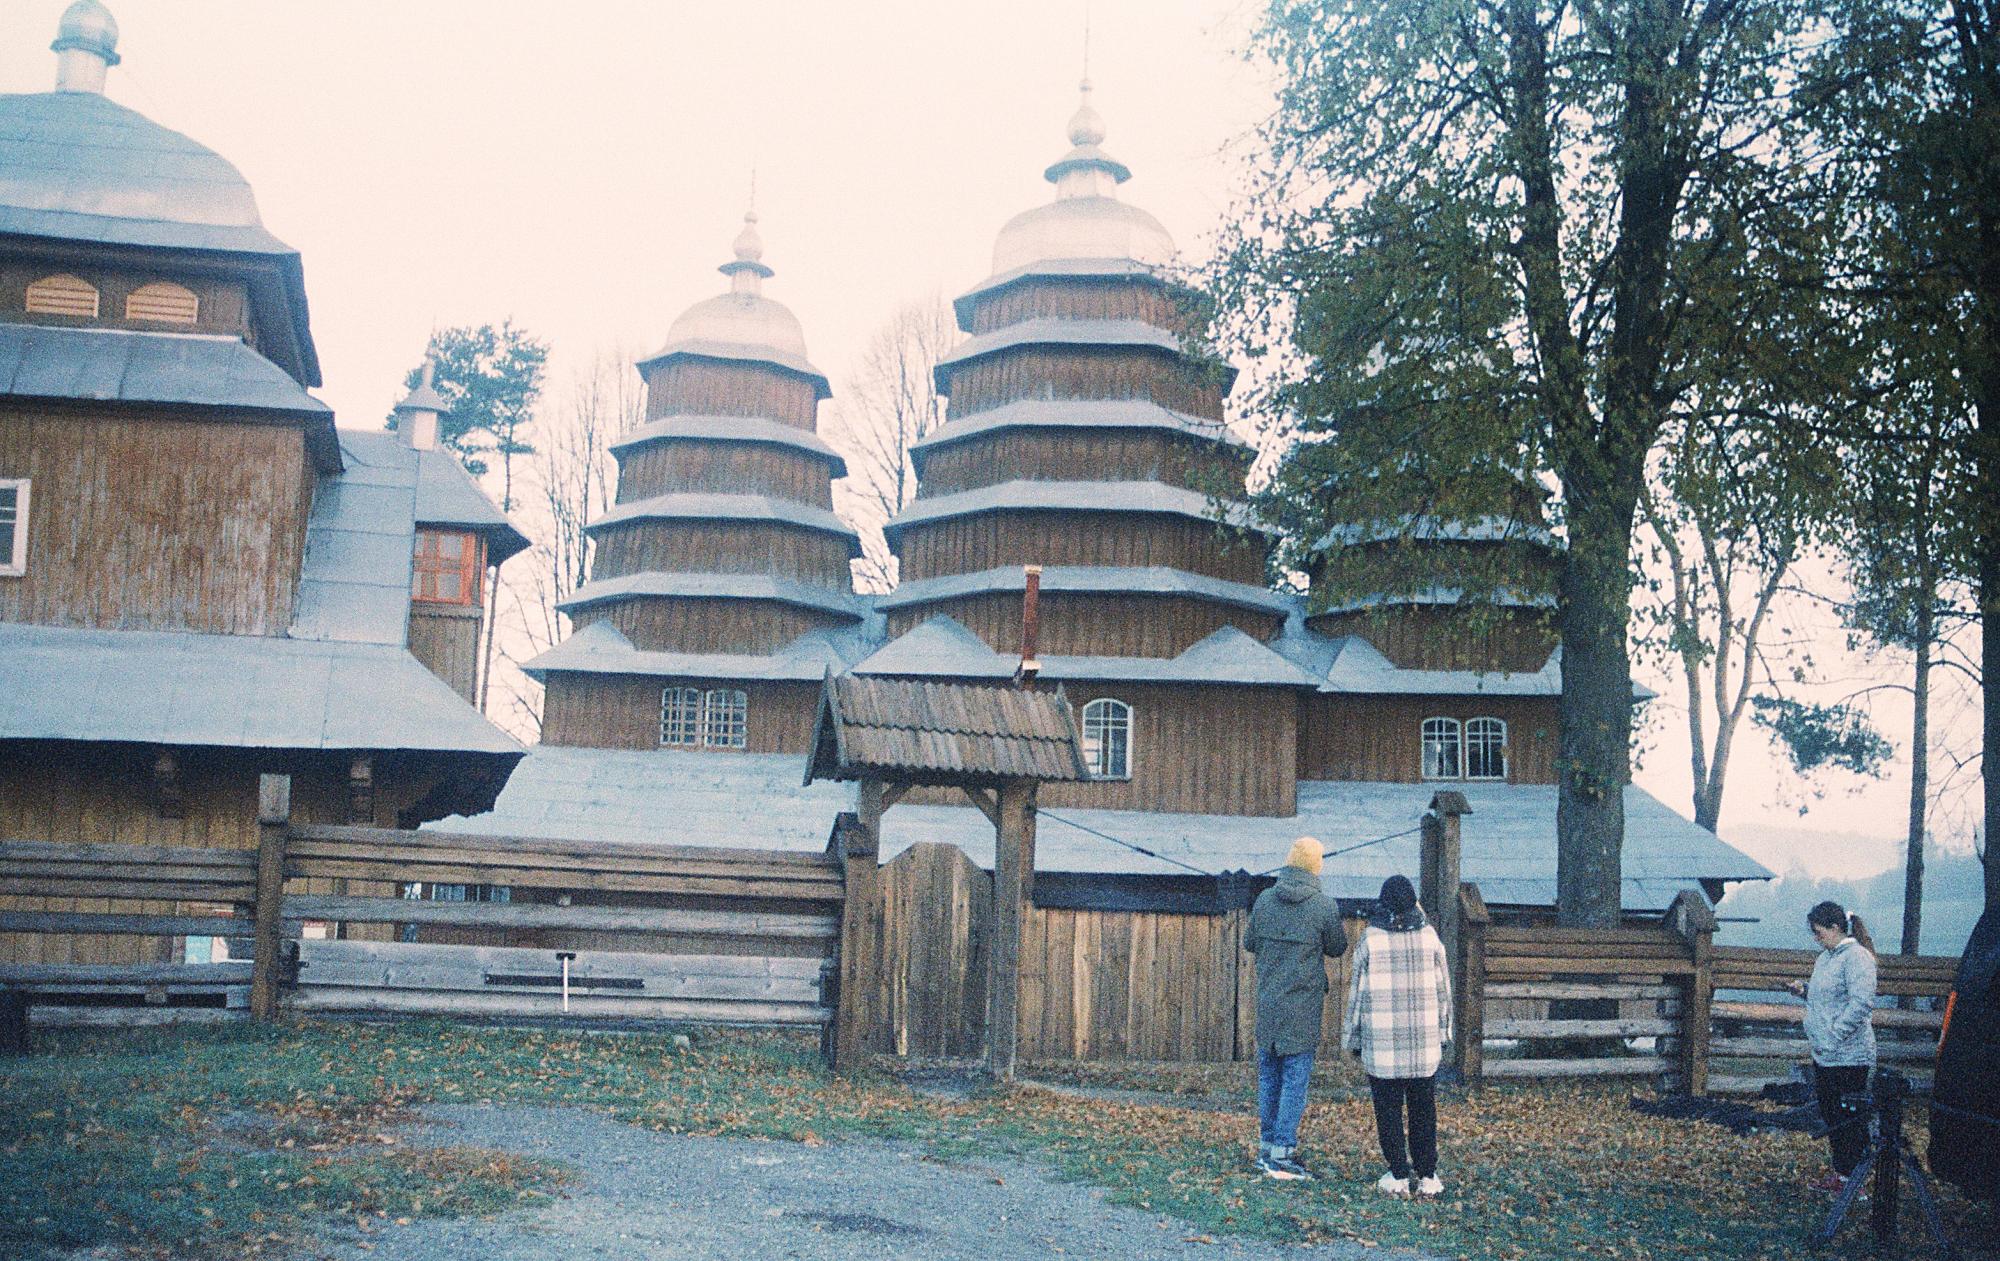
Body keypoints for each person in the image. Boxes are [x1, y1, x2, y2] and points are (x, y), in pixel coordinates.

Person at [1245, 836, 1348, 1181]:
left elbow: (1249, 943)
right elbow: (1337, 948)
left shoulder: (1263, 901)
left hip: (1268, 1004)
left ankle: (1266, 1146)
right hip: (1302, 1007)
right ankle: (1283, 1153)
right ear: (1316, 866)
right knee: (1294, 1079)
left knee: (1268, 1076)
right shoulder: (1323, 906)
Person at [1343, 874, 1451, 1198]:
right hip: (1423, 1043)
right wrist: (1444, 1032)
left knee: (1388, 1109)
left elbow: (1357, 995)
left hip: (1383, 1043)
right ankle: (1428, 1175)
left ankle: (1398, 1173)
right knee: (1423, 1108)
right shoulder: (1430, 938)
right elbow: (1443, 990)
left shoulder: (1370, 939)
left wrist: (1353, 1038)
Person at [1785, 901, 1878, 1193]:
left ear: (1836, 928)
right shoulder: (1825, 958)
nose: (1816, 937)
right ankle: (1842, 1175)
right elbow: (1828, 998)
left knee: (1849, 1117)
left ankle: (1857, 1179)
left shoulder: (1857, 958)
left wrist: (1834, 1035)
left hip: (1850, 1056)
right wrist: (1805, 991)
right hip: (1825, 1055)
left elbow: (1861, 1003)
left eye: (1819, 931)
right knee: (1832, 1116)